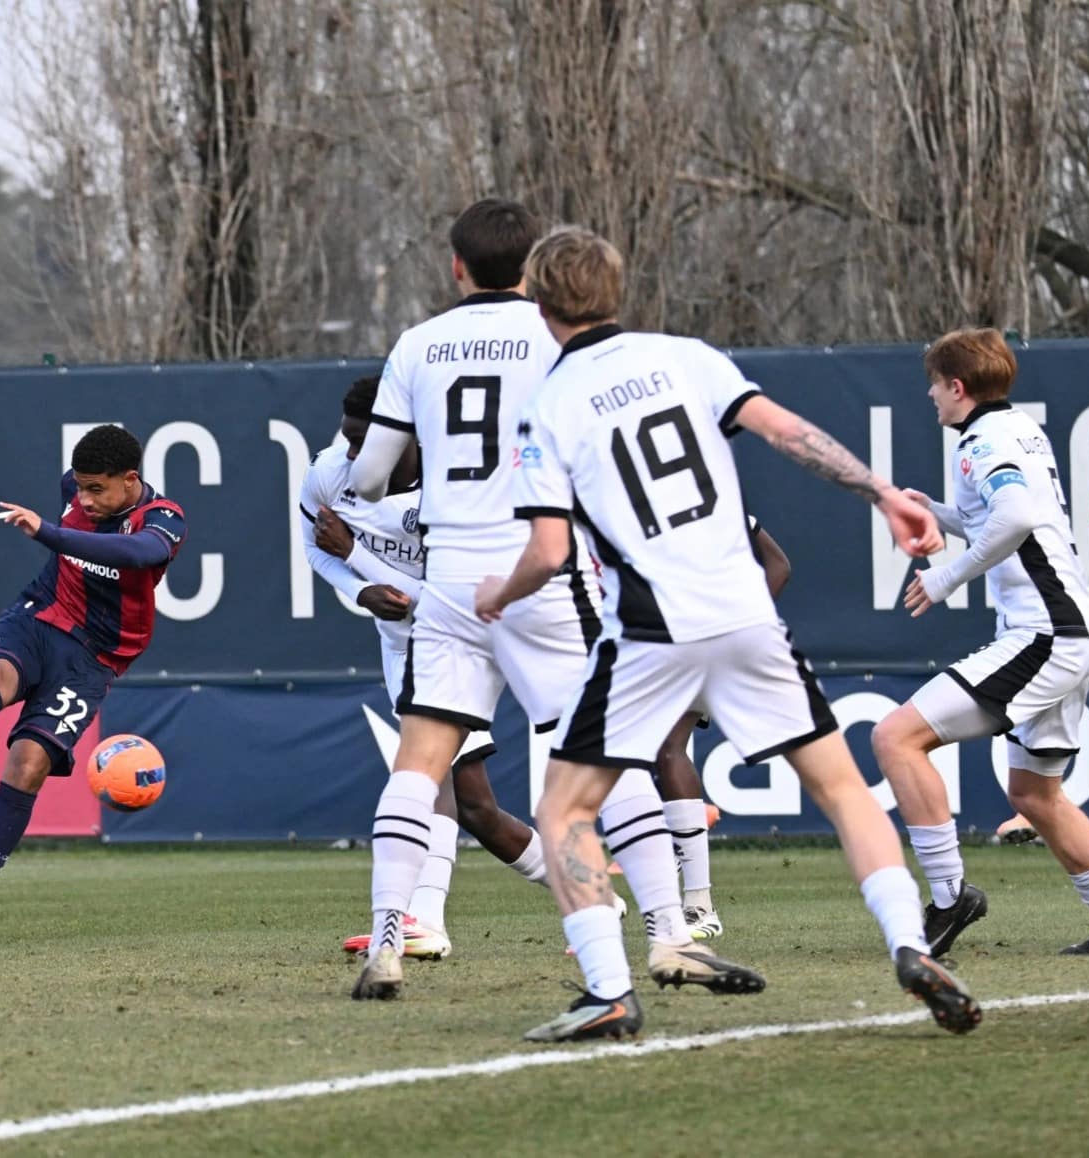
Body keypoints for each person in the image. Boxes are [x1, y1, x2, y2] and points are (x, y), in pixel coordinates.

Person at [478, 225, 978, 1042]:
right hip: (748, 613)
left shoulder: (549, 407)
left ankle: (607, 989)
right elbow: (789, 433)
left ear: (538, 302)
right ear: (616, 290)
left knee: (565, 807)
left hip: (653, 627)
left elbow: (548, 551)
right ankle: (909, 943)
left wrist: (499, 594)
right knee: (845, 789)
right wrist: (883, 493)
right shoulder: (688, 357)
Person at [346, 199, 746, 1002]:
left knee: (420, 763)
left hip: (452, 580)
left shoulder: (418, 344)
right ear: (531, 269)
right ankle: (669, 934)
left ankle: (388, 938)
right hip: (545, 570)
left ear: (456, 267)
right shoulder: (559, 336)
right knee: (608, 752)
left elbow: (369, 476)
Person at [871, 329, 1089, 959]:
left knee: (895, 737)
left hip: (1047, 632)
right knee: (1034, 796)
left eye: (936, 385)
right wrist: (938, 513)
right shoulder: (1018, 428)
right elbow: (1013, 515)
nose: (931, 395)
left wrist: (944, 577)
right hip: (1070, 630)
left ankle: (947, 899)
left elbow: (1017, 517)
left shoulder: (981, 440)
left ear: (958, 388)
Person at [296, 375, 560, 960]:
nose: (355, 454)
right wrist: (358, 592)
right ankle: (575, 899)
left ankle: (431, 920)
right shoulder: (328, 472)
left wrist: (360, 559)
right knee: (468, 801)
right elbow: (316, 546)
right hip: (400, 646)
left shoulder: (454, 489)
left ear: (406, 436)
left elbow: (455, 597)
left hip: (460, 639)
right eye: (349, 439)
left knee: (453, 788)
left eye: (367, 441)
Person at [0, 425, 186, 945]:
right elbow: (78, 509)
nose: (83, 498)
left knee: (28, 765)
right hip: (41, 615)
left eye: (96, 489)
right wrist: (56, 526)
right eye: (78, 488)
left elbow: (136, 556)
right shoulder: (77, 488)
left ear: (130, 481)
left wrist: (47, 533)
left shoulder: (162, 519)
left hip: (94, 657)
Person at [654, 514, 791, 941]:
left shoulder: (712, 499)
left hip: (698, 637)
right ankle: (678, 859)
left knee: (667, 749)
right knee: (649, 754)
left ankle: (698, 903)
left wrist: (743, 627)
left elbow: (780, 566)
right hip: (665, 637)